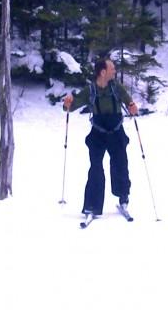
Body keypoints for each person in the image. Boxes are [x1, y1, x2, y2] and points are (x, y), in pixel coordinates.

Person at [63, 56, 138, 218]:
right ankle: (92, 205)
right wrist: (68, 104)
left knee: (120, 164)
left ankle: (123, 197)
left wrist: (132, 107)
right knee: (96, 166)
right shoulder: (90, 90)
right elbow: (72, 106)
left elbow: (128, 101)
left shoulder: (116, 87)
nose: (114, 71)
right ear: (103, 72)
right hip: (98, 132)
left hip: (116, 131)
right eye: (112, 69)